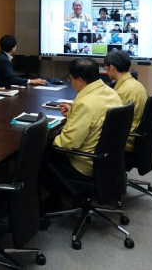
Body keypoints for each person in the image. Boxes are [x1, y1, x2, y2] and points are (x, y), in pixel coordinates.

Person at [41, 58, 122, 210]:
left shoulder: (84, 103)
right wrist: (74, 113)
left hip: (85, 163)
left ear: (79, 80)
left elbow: (68, 143)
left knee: (41, 155)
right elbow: (98, 115)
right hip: (108, 159)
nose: (70, 82)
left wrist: (48, 139)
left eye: (70, 79)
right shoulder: (110, 92)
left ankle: (52, 202)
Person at [104, 50, 147, 152]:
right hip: (134, 137)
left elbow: (110, 123)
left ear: (111, 67)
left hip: (124, 142)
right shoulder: (136, 84)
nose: (106, 70)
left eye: (106, 67)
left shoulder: (123, 92)